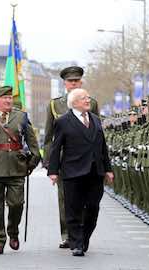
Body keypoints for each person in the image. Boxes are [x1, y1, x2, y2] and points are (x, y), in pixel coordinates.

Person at [47, 88, 114, 257]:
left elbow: (103, 148)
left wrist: (108, 169)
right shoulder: (63, 121)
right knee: (73, 209)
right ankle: (76, 244)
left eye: (88, 97)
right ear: (74, 102)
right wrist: (53, 171)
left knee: (93, 208)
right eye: (84, 98)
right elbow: (56, 148)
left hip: (95, 172)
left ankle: (84, 238)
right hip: (72, 172)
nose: (88, 100)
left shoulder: (96, 120)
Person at [43, 66, 99, 249]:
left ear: (81, 82)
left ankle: (82, 233)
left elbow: (96, 132)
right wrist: (50, 163)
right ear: (65, 83)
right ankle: (68, 234)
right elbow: (50, 137)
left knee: (89, 201)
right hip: (65, 161)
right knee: (66, 199)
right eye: (70, 81)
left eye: (77, 81)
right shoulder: (55, 104)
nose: (73, 83)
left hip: (88, 160)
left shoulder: (92, 103)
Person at [0, 86, 41, 254]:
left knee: (16, 204)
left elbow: (33, 143)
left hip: (17, 168)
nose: (9, 101)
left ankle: (13, 231)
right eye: (5, 98)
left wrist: (31, 164)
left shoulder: (21, 116)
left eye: (10, 98)